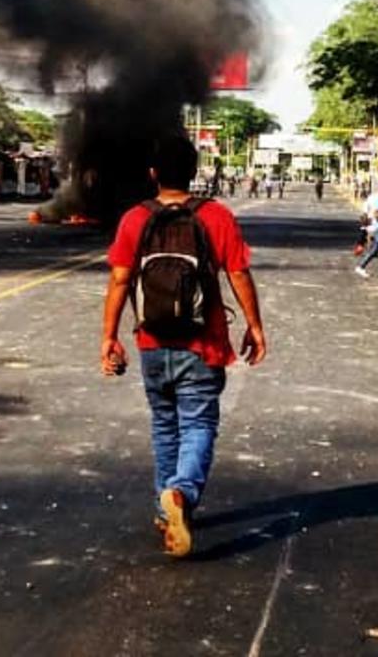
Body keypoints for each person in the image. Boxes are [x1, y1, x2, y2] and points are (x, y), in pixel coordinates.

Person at [100, 134, 268, 557]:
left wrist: (109, 338)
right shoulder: (215, 215)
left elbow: (120, 280)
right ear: (195, 172)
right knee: (198, 424)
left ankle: (164, 509)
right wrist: (254, 325)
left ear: (152, 173)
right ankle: (182, 493)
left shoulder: (135, 219)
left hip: (152, 342)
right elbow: (239, 274)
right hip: (203, 344)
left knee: (164, 425)